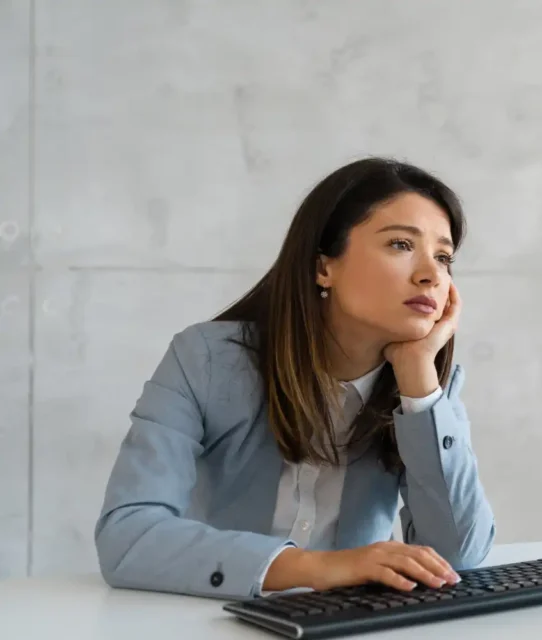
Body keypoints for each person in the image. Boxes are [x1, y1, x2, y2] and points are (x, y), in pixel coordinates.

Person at [94, 158, 496, 600]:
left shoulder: (426, 392)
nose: (431, 275)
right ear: (324, 267)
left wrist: (418, 380)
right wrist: (317, 567)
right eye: (401, 244)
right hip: (212, 619)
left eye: (443, 257)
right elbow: (127, 536)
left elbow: (458, 558)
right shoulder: (206, 359)